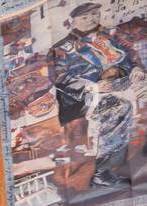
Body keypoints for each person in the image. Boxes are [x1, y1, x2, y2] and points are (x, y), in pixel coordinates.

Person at [48, 2, 135, 189]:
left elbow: (126, 63)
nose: (91, 20)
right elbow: (61, 79)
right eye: (85, 17)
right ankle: (102, 172)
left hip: (113, 87)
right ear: (71, 22)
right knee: (121, 107)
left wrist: (116, 71)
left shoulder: (106, 40)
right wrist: (93, 87)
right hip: (80, 101)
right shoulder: (60, 48)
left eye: (95, 14)